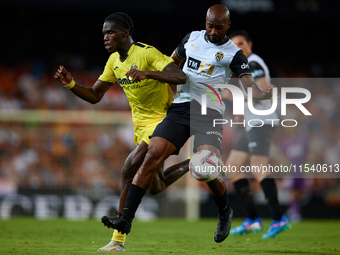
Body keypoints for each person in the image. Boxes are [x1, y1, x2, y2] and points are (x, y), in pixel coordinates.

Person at [101, 5, 273, 245]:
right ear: (205, 22)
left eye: (219, 27)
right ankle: (126, 219)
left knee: (204, 170)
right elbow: (172, 65)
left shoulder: (234, 53)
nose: (213, 31)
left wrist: (261, 94)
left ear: (227, 26)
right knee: (152, 155)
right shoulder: (190, 39)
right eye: (210, 25)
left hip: (209, 112)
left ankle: (224, 212)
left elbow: (247, 83)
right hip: (181, 107)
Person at [54, 12, 190, 251]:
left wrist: (147, 73)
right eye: (104, 34)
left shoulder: (147, 53)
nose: (105, 38)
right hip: (139, 125)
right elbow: (95, 96)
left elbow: (180, 76)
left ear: (125, 33)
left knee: (129, 167)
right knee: (156, 186)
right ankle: (196, 163)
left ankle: (118, 238)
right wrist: (71, 84)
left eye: (110, 33)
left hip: (162, 120)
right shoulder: (113, 61)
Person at [223, 30, 290, 238]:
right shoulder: (246, 66)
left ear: (249, 44)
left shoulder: (253, 63)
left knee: (258, 166)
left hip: (263, 121)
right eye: (234, 45)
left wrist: (232, 96)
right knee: (233, 166)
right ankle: (253, 219)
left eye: (241, 43)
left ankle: (279, 219)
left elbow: (259, 93)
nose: (239, 47)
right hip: (254, 122)